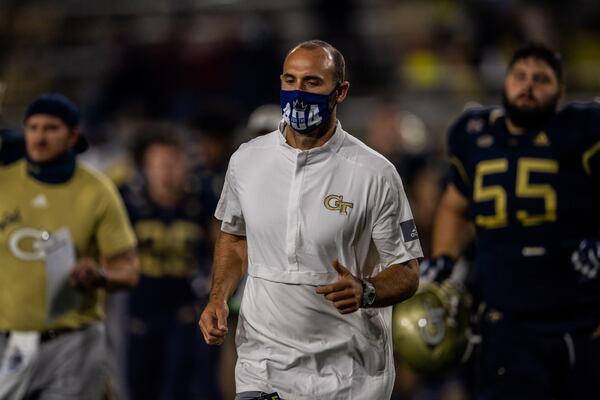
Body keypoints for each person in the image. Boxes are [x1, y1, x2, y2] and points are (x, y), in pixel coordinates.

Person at [199, 40, 422, 400]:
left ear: (341, 91)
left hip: (348, 373)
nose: (298, 93)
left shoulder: (375, 174)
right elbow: (234, 236)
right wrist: (218, 298)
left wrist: (367, 291)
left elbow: (407, 270)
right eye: (290, 81)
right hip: (263, 363)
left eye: (313, 82)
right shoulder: (246, 161)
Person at [422, 43, 600, 399]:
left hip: (581, 320)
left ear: (560, 91)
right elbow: (454, 205)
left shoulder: (583, 130)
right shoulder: (474, 134)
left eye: (541, 79)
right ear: (505, 82)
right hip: (506, 321)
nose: (528, 86)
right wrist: (444, 258)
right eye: (520, 76)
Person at [0, 93, 139, 400]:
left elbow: (128, 270)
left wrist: (100, 275)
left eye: (51, 128)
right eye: (32, 128)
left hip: (72, 343)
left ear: (73, 135)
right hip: (8, 344)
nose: (39, 137)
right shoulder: (4, 182)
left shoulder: (97, 190)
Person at [119, 126, 221, 400]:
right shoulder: (128, 201)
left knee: (183, 391)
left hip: (185, 316)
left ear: (186, 165)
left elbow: (223, 249)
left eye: (173, 162)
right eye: (159, 163)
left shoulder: (201, 199)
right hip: (140, 318)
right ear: (146, 167)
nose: (167, 171)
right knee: (139, 390)